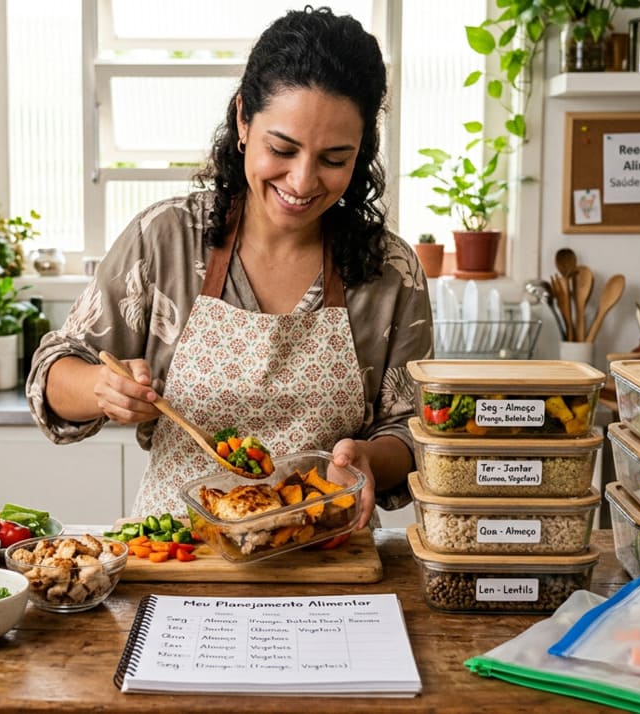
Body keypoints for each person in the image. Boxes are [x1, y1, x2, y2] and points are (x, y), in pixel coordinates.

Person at [25, 6, 433, 528]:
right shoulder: (166, 238)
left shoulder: (391, 270)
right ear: (243, 119)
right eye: (282, 149)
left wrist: (369, 460)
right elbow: (53, 375)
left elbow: (414, 431)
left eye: (334, 159)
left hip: (327, 548)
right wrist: (100, 389)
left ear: (363, 150)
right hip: (175, 548)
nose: (302, 181)